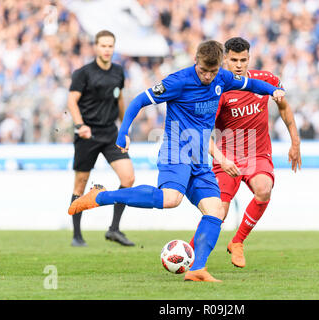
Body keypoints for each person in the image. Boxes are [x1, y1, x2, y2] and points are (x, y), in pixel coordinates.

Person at [68, 40, 286, 282]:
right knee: (171, 199)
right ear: (196, 62)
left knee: (215, 211)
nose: (207, 76)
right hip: (176, 150)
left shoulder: (222, 78)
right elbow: (139, 100)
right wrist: (123, 131)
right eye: (203, 70)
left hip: (199, 156)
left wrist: (273, 90)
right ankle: (99, 196)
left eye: (212, 72)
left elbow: (251, 84)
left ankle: (198, 269)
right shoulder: (178, 81)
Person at [189, 37, 301, 268]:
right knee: (218, 212)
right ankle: (189, 253)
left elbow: (284, 106)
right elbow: (201, 133)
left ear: (249, 58)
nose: (239, 65)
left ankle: (237, 242)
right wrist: (220, 158)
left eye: (243, 60)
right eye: (233, 60)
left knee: (264, 189)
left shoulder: (266, 80)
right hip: (226, 156)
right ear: (224, 60)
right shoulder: (216, 90)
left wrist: (295, 141)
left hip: (257, 154)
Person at [67, 30, 135, 247]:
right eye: (103, 45)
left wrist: (125, 128)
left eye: (110, 46)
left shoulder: (118, 71)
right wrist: (80, 125)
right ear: (96, 47)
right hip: (88, 134)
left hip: (110, 133)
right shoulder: (84, 73)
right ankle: (77, 236)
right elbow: (71, 101)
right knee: (80, 184)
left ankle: (114, 229)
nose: (107, 49)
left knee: (128, 179)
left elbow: (120, 99)